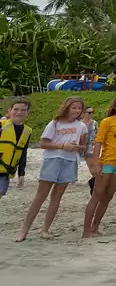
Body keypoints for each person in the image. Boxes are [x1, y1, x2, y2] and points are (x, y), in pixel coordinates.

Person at [15, 97, 83, 241]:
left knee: (57, 197)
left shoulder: (81, 126)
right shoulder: (55, 123)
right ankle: (24, 230)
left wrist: (77, 147)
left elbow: (83, 146)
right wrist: (62, 146)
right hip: (52, 160)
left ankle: (45, 229)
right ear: (67, 108)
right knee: (41, 196)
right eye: (74, 107)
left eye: (79, 108)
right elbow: (43, 143)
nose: (77, 110)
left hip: (70, 161)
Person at [83, 94, 116, 238]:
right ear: (115, 107)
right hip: (107, 162)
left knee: (108, 197)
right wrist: (95, 163)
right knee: (97, 196)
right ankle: (86, 230)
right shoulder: (107, 121)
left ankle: (95, 227)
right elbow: (98, 142)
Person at [0, 97, 32, 204]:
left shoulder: (27, 131)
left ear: (27, 113)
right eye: (16, 109)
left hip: (6, 171)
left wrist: (21, 173)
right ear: (10, 110)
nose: (19, 112)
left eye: (23, 110)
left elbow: (23, 152)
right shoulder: (1, 125)